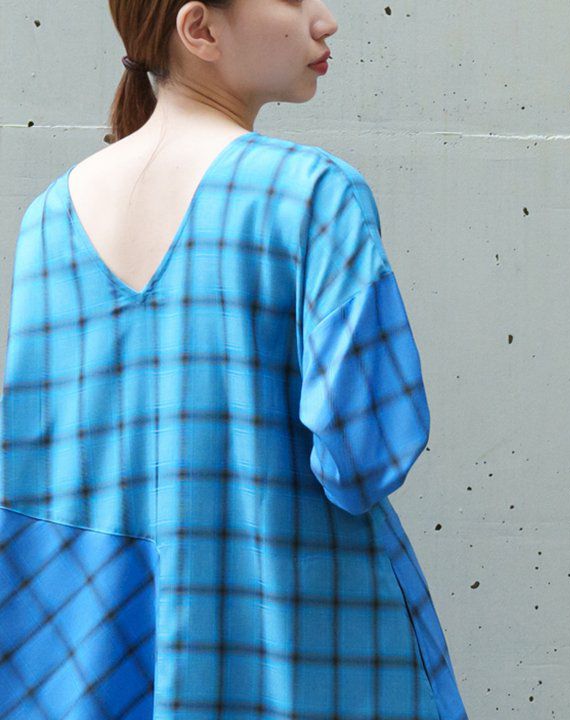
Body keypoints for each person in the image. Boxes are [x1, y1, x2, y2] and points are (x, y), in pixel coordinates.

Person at [0, 1, 469, 718]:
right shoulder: (313, 195)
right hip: (297, 646)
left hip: (90, 660)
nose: (325, 20)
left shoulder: (47, 219)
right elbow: (363, 459)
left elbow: (35, 486)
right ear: (200, 29)